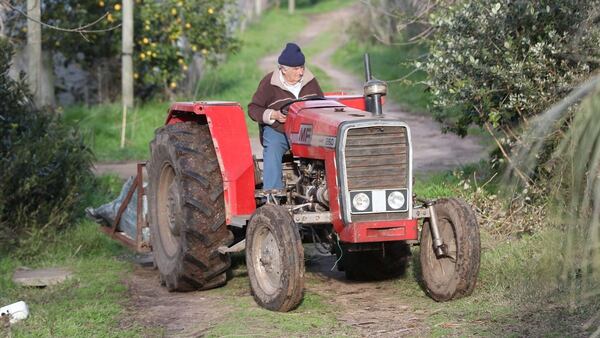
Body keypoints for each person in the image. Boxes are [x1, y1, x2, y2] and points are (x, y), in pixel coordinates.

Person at [248, 42, 324, 191]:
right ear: (283, 69)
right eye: (296, 69)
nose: (301, 72)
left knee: (327, 145)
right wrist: (273, 114)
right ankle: (273, 192)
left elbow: (321, 104)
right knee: (273, 147)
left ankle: (322, 189)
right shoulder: (269, 83)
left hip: (306, 131)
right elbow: (253, 109)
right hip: (279, 130)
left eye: (302, 67)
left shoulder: (310, 80)